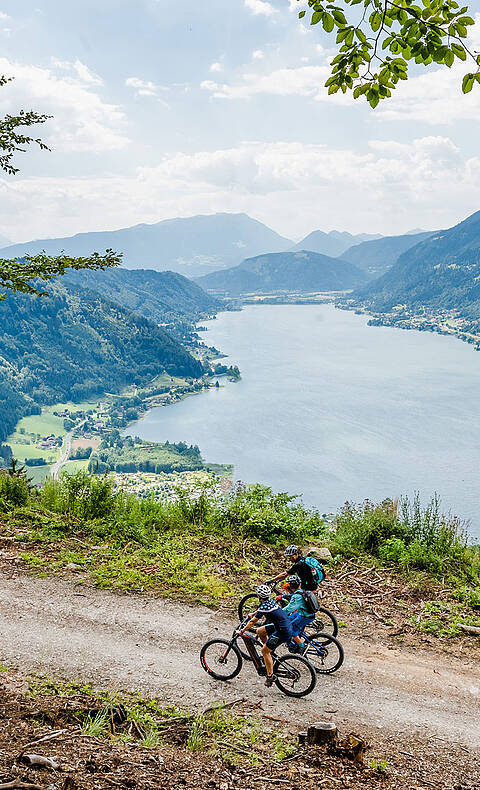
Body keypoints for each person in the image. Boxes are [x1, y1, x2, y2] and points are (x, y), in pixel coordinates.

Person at [237, 584, 293, 687]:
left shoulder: (264, 606)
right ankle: (269, 652)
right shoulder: (270, 601)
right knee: (260, 631)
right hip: (283, 626)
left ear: (259, 597)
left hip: (283, 631)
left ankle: (270, 676)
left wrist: (242, 631)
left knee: (264, 651)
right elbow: (260, 610)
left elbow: (252, 622)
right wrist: (253, 614)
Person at [281, 574, 314, 653]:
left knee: (291, 630)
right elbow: (293, 596)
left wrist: (278, 613)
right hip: (306, 613)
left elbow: (288, 609)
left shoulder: (297, 597)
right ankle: (295, 639)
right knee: (288, 619)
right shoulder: (301, 591)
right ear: (299, 584)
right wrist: (284, 596)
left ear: (291, 586)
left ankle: (301, 646)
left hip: (305, 616)